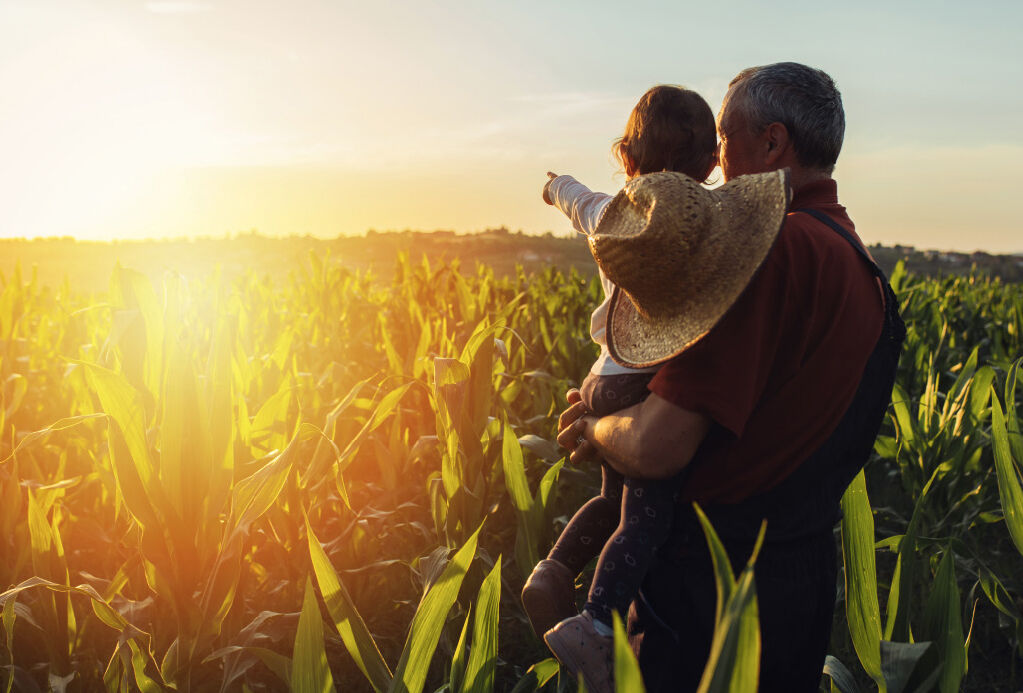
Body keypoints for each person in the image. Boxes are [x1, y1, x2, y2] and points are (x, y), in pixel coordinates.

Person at [556, 62, 905, 692]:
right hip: (797, 590)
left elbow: (659, 445)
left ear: (771, 144)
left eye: (722, 138)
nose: (713, 161)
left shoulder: (768, 255)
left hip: (709, 596)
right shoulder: (863, 269)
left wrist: (593, 424)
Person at [520, 86, 719, 693]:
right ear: (711, 166)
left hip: (602, 376)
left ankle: (554, 569)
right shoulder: (702, 233)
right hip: (642, 383)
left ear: (627, 160)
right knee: (644, 517)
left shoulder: (610, 215)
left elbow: (577, 200)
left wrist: (557, 186)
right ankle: (599, 624)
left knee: (611, 502)